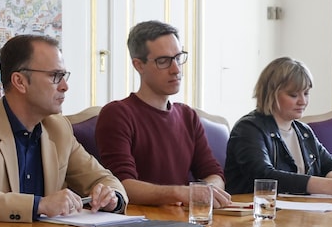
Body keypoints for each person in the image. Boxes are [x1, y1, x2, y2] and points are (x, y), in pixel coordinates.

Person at [0, 34, 128, 222]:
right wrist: (39, 205)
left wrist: (111, 197)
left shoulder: (58, 128)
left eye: (64, 76)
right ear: (20, 82)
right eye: (56, 76)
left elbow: (105, 179)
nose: (65, 86)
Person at [95, 20, 232, 207]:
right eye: (163, 61)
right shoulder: (117, 114)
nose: (176, 69)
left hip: (184, 221)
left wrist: (207, 191)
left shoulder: (187, 116)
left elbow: (214, 173)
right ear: (138, 65)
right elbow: (121, 185)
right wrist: (178, 192)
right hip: (139, 224)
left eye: (178, 58)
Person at [225, 57, 332, 194]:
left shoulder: (304, 131)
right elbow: (264, 176)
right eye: (293, 95)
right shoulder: (248, 128)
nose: (303, 101)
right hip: (257, 212)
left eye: (306, 93)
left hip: (300, 211)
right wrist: (327, 186)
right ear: (271, 94)